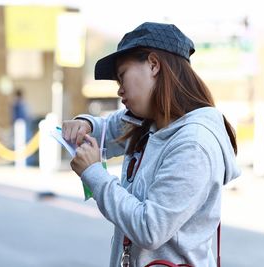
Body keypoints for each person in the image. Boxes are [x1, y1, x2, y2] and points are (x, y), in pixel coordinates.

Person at [62, 22, 240, 267]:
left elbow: (150, 229)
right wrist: (86, 124)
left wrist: (95, 175)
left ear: (154, 65)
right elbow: (110, 128)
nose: (119, 90)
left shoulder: (193, 145)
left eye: (122, 76)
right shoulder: (150, 122)